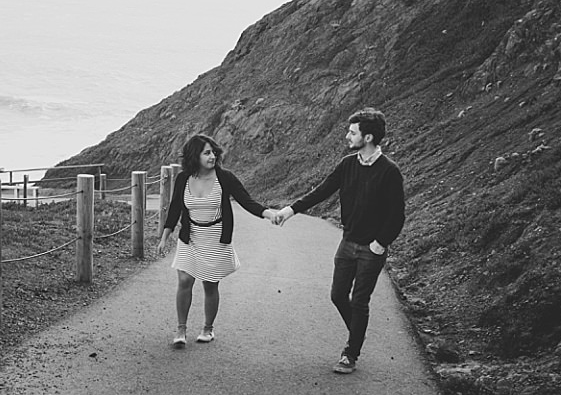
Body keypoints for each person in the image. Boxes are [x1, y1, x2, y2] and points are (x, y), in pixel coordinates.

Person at [273, 108, 404, 374]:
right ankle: (358, 332)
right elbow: (321, 191)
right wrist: (290, 210)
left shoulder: (389, 171)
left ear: (367, 137)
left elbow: (397, 214)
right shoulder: (347, 164)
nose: (347, 136)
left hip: (372, 248)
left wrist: (380, 242)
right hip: (348, 242)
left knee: (359, 300)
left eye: (352, 132)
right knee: (337, 295)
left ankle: (350, 353)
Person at [158, 133, 277, 348]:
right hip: (190, 237)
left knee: (210, 284)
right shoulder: (184, 178)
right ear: (195, 156)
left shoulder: (225, 178)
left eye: (213, 152)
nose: (212, 156)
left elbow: (246, 201)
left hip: (215, 238)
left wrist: (268, 214)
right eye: (206, 153)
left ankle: (207, 329)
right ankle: (181, 330)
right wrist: (165, 236)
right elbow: (175, 208)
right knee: (185, 281)